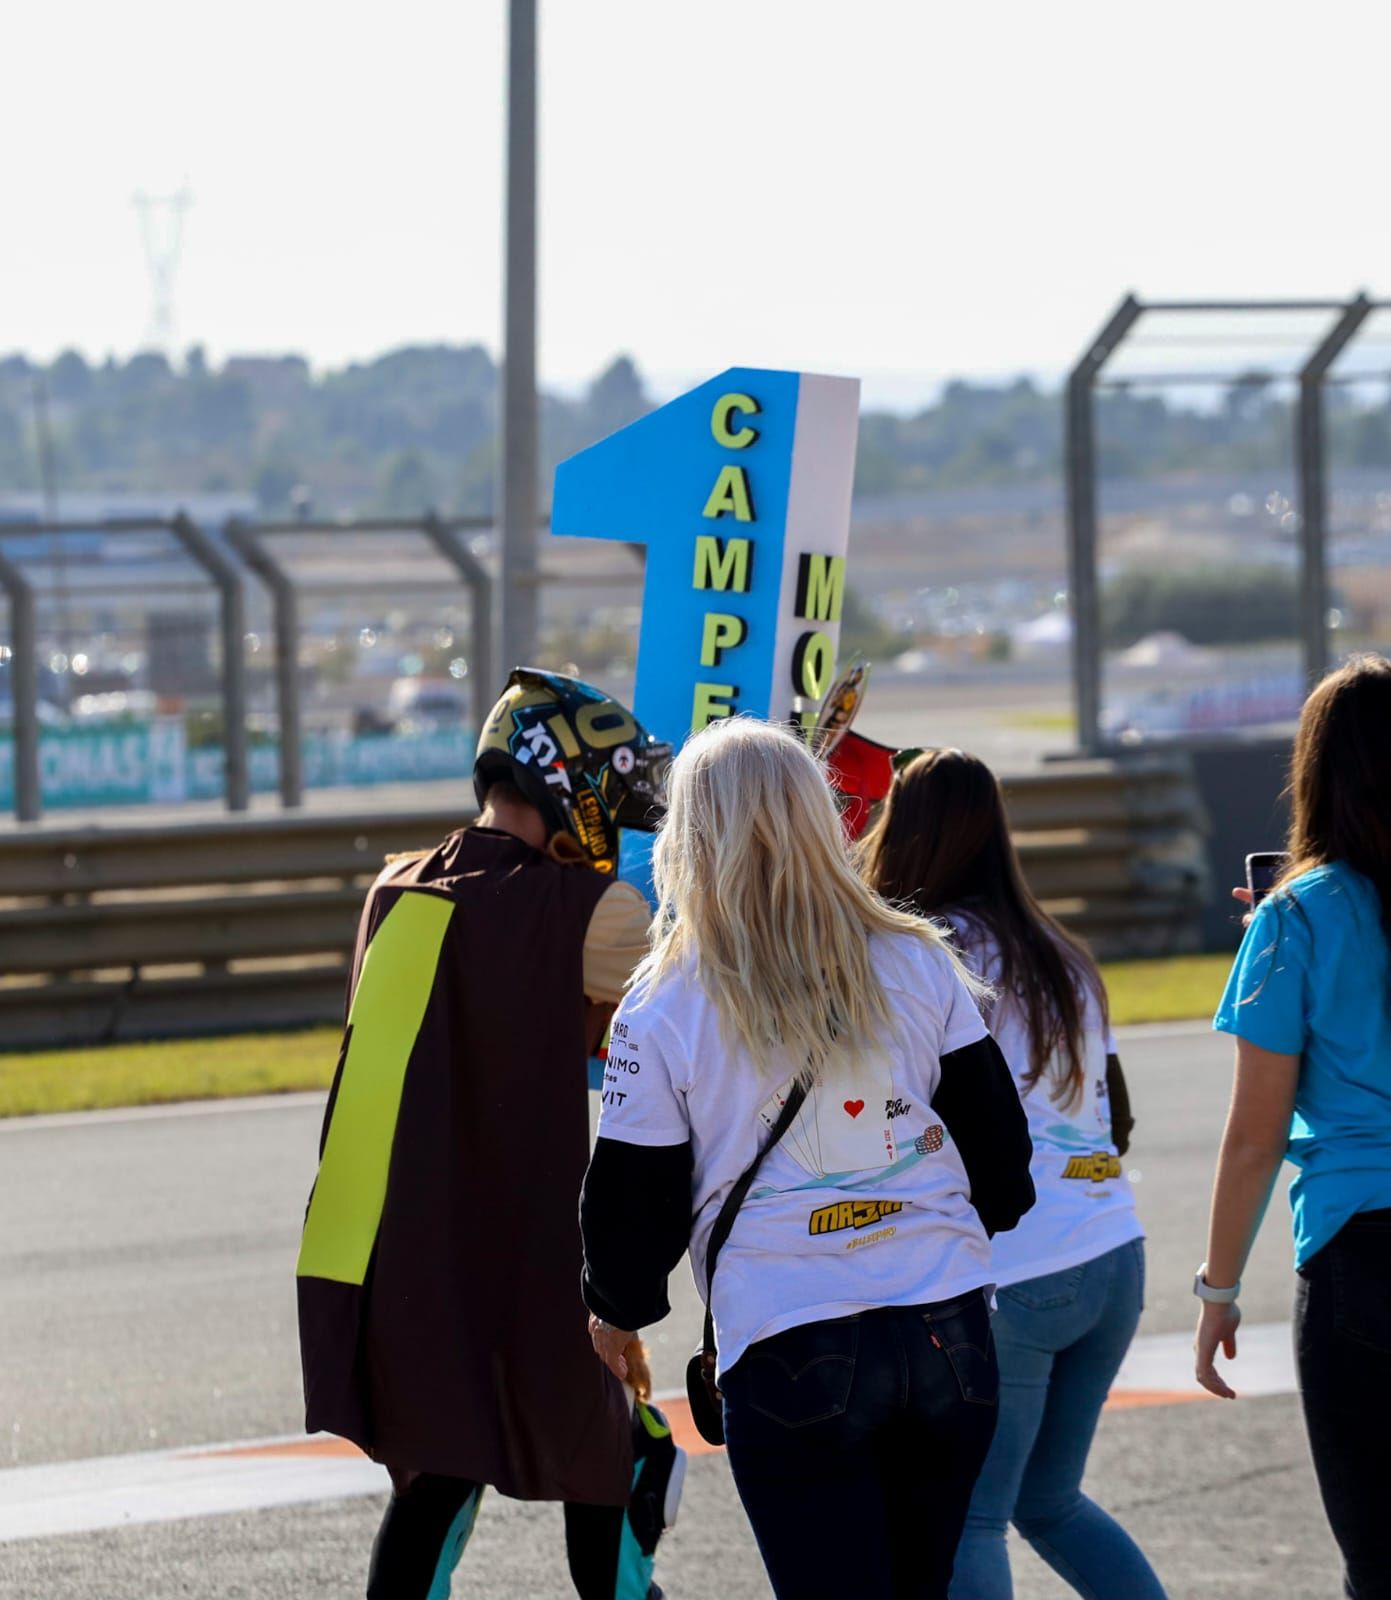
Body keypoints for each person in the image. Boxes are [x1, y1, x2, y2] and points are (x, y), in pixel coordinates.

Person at [579, 717, 1035, 1600]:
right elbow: (1004, 1168)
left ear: (688, 838)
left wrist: (614, 1313)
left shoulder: (662, 1000)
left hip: (790, 1338)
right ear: (818, 819)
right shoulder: (916, 957)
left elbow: (631, 1220)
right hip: (948, 1328)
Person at [295, 668, 682, 1600]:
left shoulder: (394, 887)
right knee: (626, 1456)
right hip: (519, 1254)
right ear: (570, 788)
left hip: (386, 1255)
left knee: (437, 1475)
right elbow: (690, 1007)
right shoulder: (593, 914)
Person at [860, 748, 1165, 1600]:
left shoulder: (931, 954)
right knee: (1050, 1500)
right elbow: (1120, 1115)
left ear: (906, 831)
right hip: (1113, 1252)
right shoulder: (1061, 950)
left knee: (973, 1516)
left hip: (1020, 1273)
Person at [1196, 654, 1391, 1600]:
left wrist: (1217, 1288)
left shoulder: (1296, 918)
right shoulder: (1295, 917)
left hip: (1364, 1251)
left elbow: (1251, 1137)